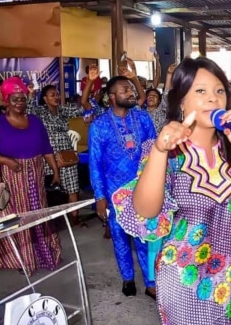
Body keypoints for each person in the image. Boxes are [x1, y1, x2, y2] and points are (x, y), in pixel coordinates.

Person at [111, 57, 231, 325]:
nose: (213, 99)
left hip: (228, 279)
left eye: (219, 91)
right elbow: (145, 212)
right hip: (182, 283)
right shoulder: (163, 151)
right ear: (182, 101)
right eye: (201, 91)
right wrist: (160, 151)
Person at [0, 76, 62, 275]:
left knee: (38, 213)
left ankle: (43, 254)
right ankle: (22, 260)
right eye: (14, 99)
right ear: (6, 101)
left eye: (22, 98)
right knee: (18, 218)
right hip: (10, 177)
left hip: (35, 174)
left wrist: (56, 173)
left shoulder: (35, 121)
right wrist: (6, 160)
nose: (19, 103)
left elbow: (46, 149)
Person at [88, 76, 157, 298]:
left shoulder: (143, 118)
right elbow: (95, 163)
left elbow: (156, 151)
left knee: (145, 237)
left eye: (131, 89)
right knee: (119, 237)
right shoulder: (99, 126)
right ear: (111, 97)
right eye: (125, 90)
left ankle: (150, 282)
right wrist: (100, 196)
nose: (131, 93)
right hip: (114, 192)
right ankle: (127, 278)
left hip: (143, 189)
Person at [27, 84, 85, 226]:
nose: (56, 97)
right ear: (45, 99)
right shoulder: (40, 112)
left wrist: (88, 84)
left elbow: (81, 109)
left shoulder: (63, 110)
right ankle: (51, 221)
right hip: (48, 156)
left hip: (66, 155)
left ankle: (74, 219)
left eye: (57, 94)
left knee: (73, 188)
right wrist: (31, 95)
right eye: (52, 95)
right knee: (50, 188)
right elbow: (27, 112)